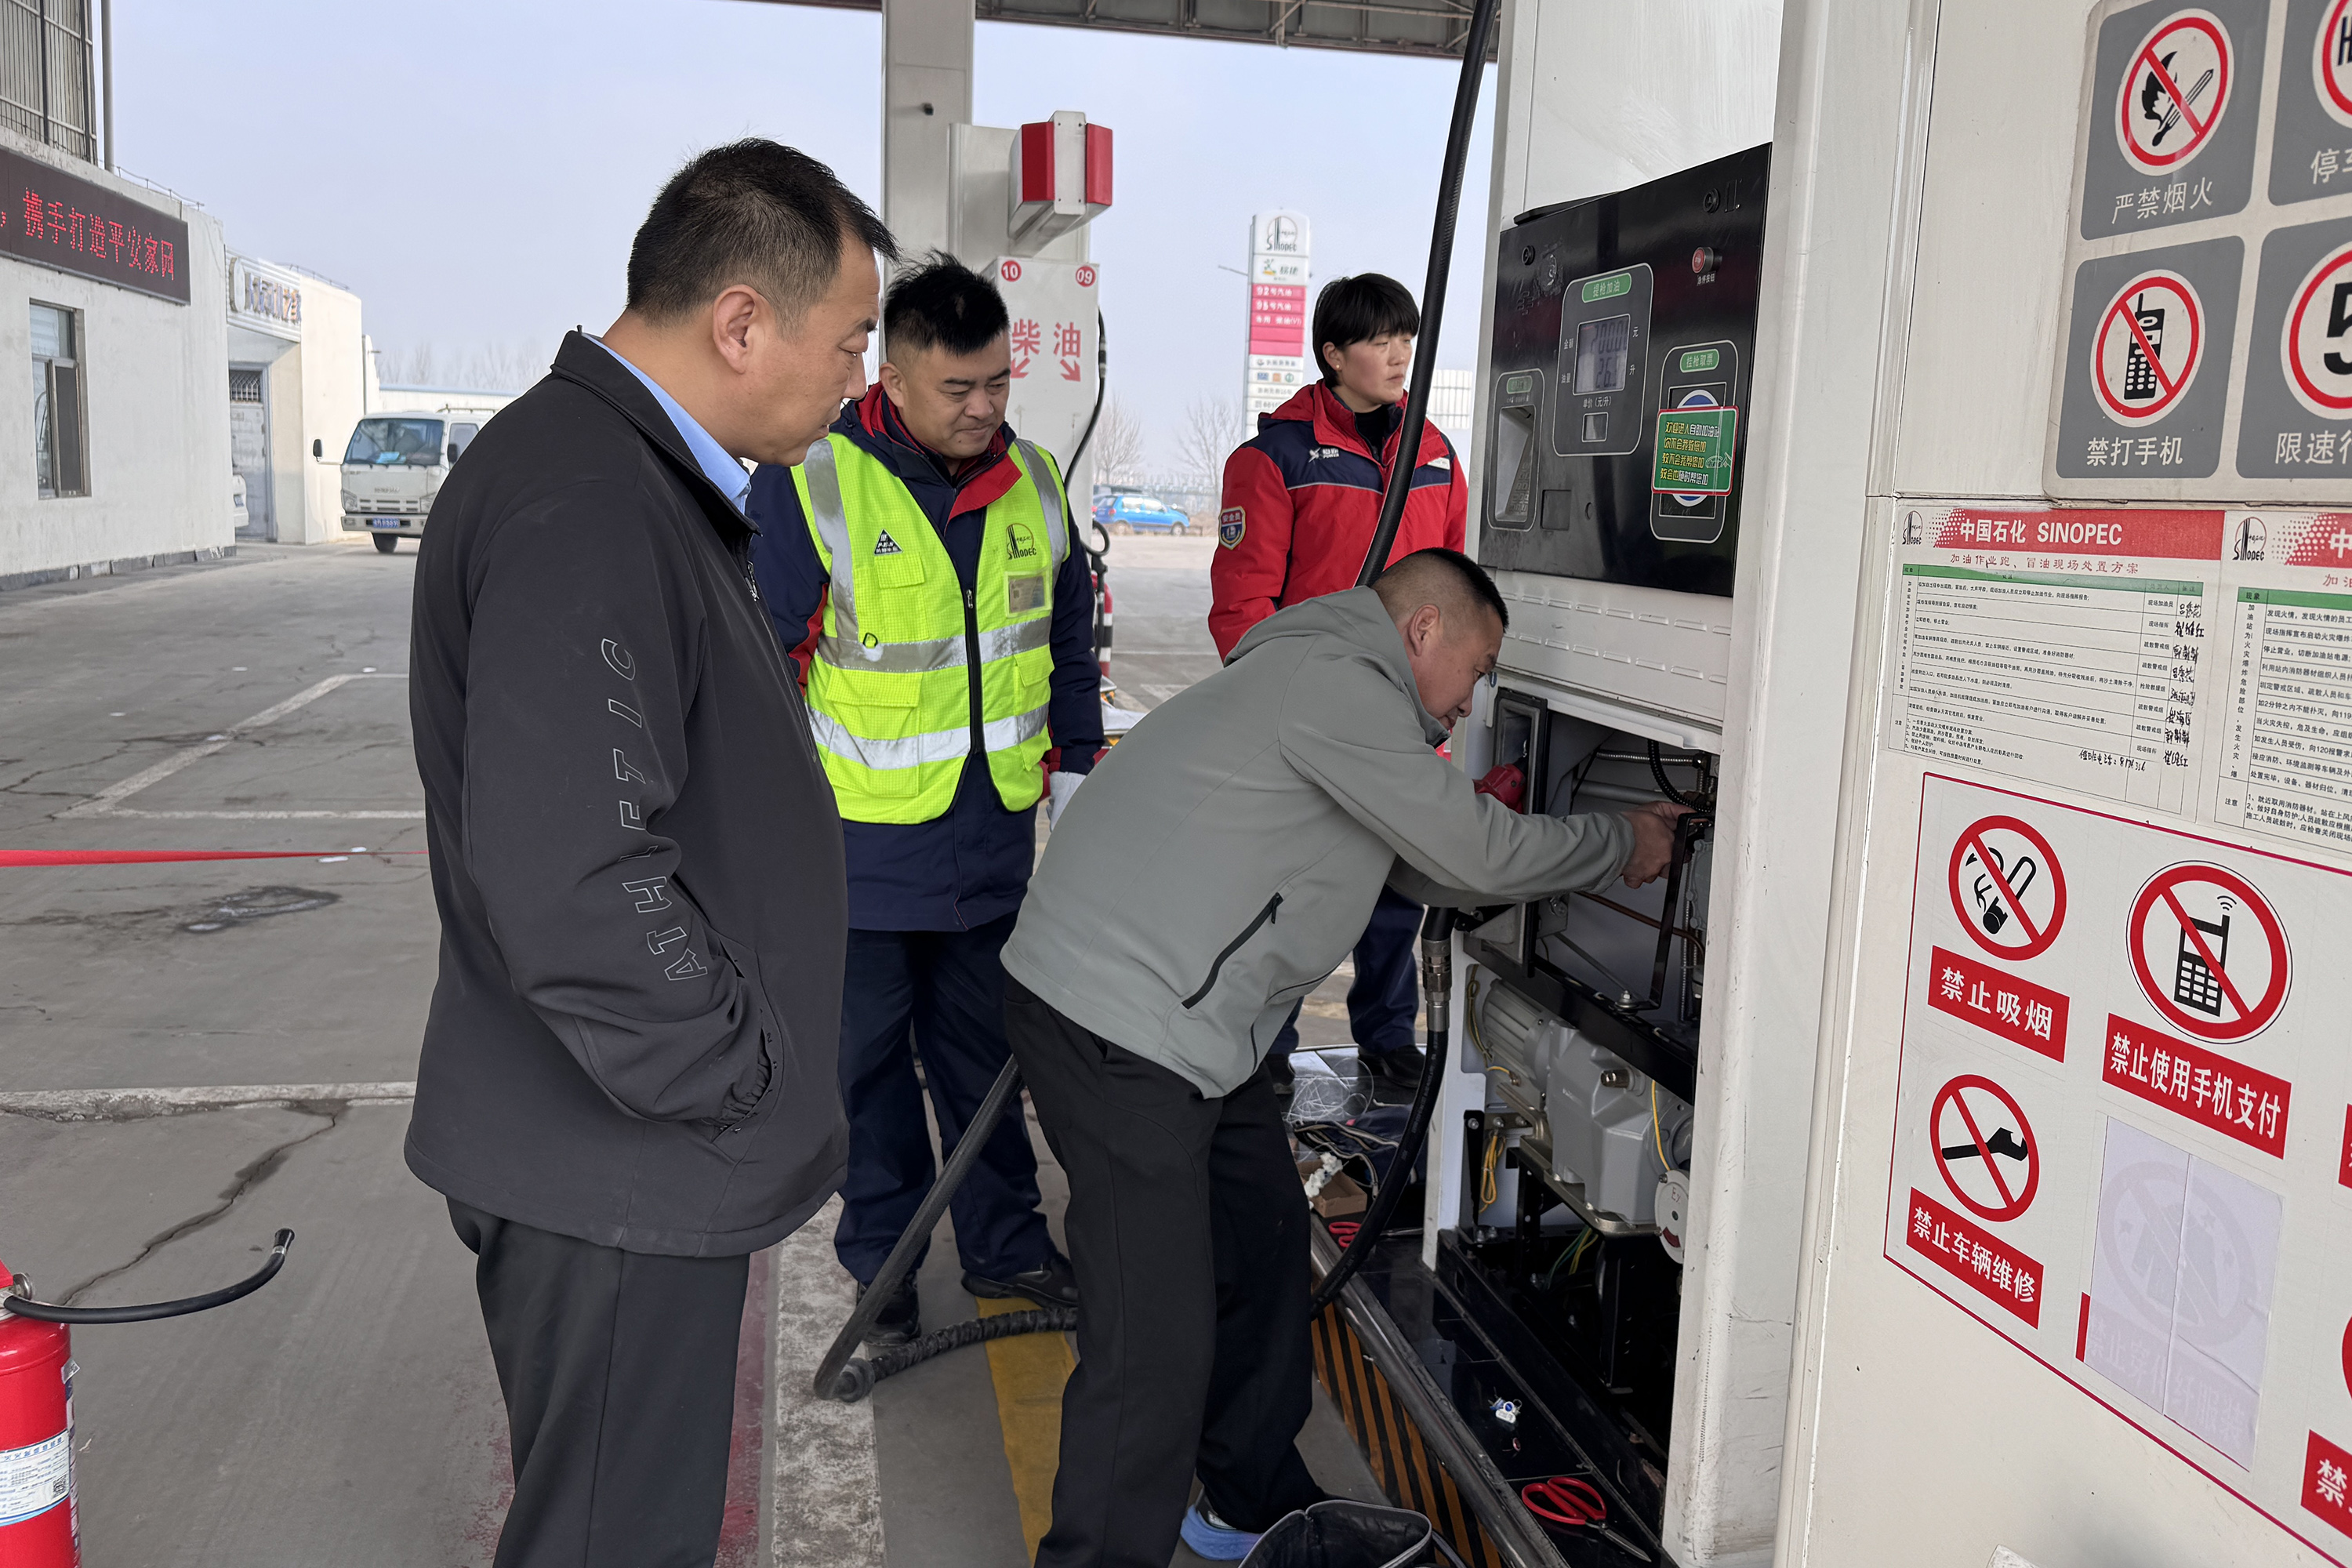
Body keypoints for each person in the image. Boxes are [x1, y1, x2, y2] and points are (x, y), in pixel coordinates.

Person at [404, 140, 895, 1568]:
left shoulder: (628, 477)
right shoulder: (592, 501)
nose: (857, 378)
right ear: (741, 323)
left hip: (619, 1146)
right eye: (848, 342)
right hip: (619, 1163)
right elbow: (578, 873)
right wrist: (731, 1076)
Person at [1000, 549, 1686, 1566]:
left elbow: (1430, 864)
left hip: (1196, 1031)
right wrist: (1616, 840)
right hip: (1119, 1024)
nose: (1473, 699)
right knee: (1153, 1344)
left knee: (1265, 1241)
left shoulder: (1328, 684)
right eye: (1477, 668)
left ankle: (1249, 1498)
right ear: (1424, 631)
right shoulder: (1338, 681)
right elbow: (1473, 854)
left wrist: (1502, 829)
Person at [746, 252, 1099, 1347]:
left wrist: (1079, 769)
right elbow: (764, 666)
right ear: (892, 379)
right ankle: (886, 1267)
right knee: (868, 1081)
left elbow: (1068, 644)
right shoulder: (812, 482)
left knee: (989, 1067)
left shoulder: (1034, 481)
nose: (984, 407)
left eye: (998, 382)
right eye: (958, 388)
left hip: (991, 851)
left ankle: (1006, 1247)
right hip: (858, 859)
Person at [1209, 273, 1468, 1096]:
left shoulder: (1435, 453)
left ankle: (1388, 1037)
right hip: (1310, 723)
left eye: (1406, 340)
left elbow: (1459, 586)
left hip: (1404, 721)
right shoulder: (1275, 458)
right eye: (1379, 341)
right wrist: (1279, 712)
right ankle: (1267, 1050)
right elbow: (1243, 607)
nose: (1398, 356)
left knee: (1395, 896)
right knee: (1292, 897)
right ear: (1332, 353)